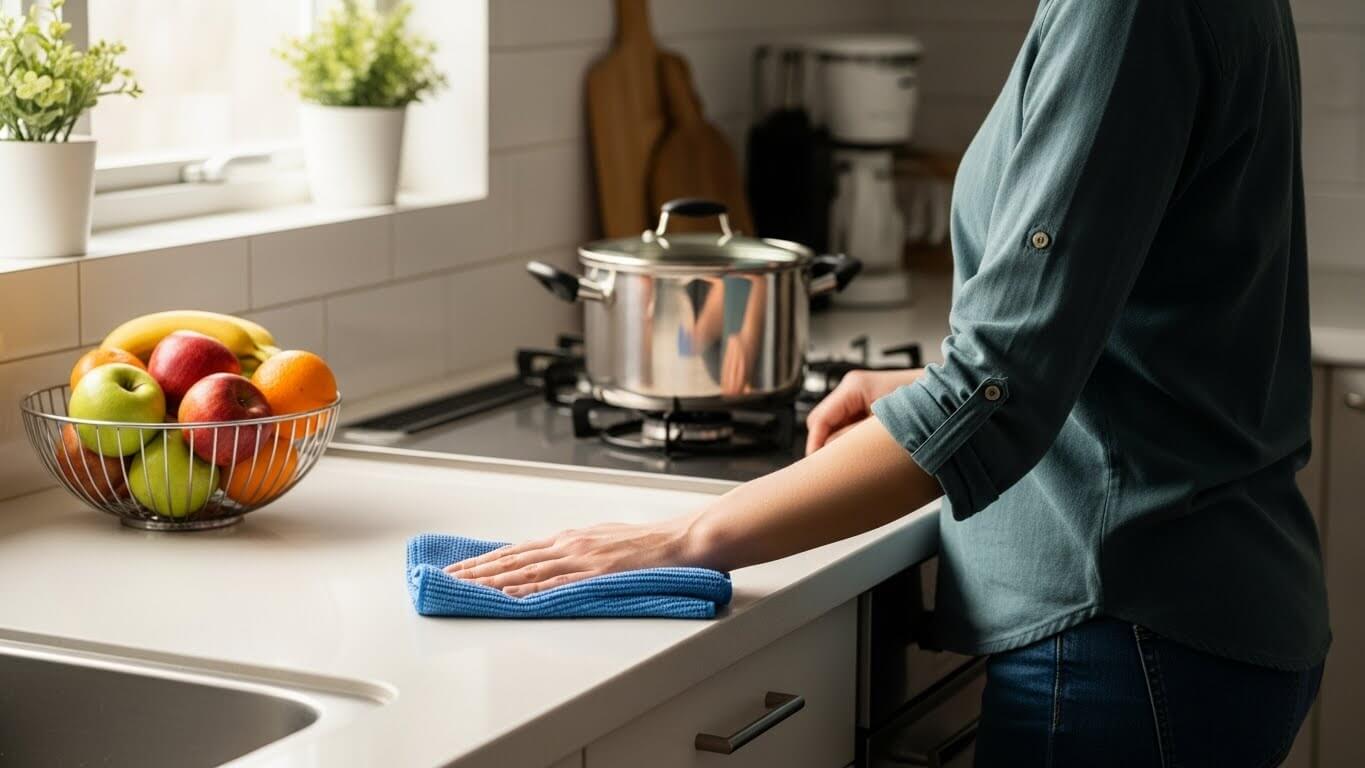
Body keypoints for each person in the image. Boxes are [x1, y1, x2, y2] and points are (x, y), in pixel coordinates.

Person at [446, 0, 1329, 764]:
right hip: (1199, 603)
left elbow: (995, 392)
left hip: (1128, 627)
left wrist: (680, 541)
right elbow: (1153, 307)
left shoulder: (1126, 13)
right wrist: (921, 383)